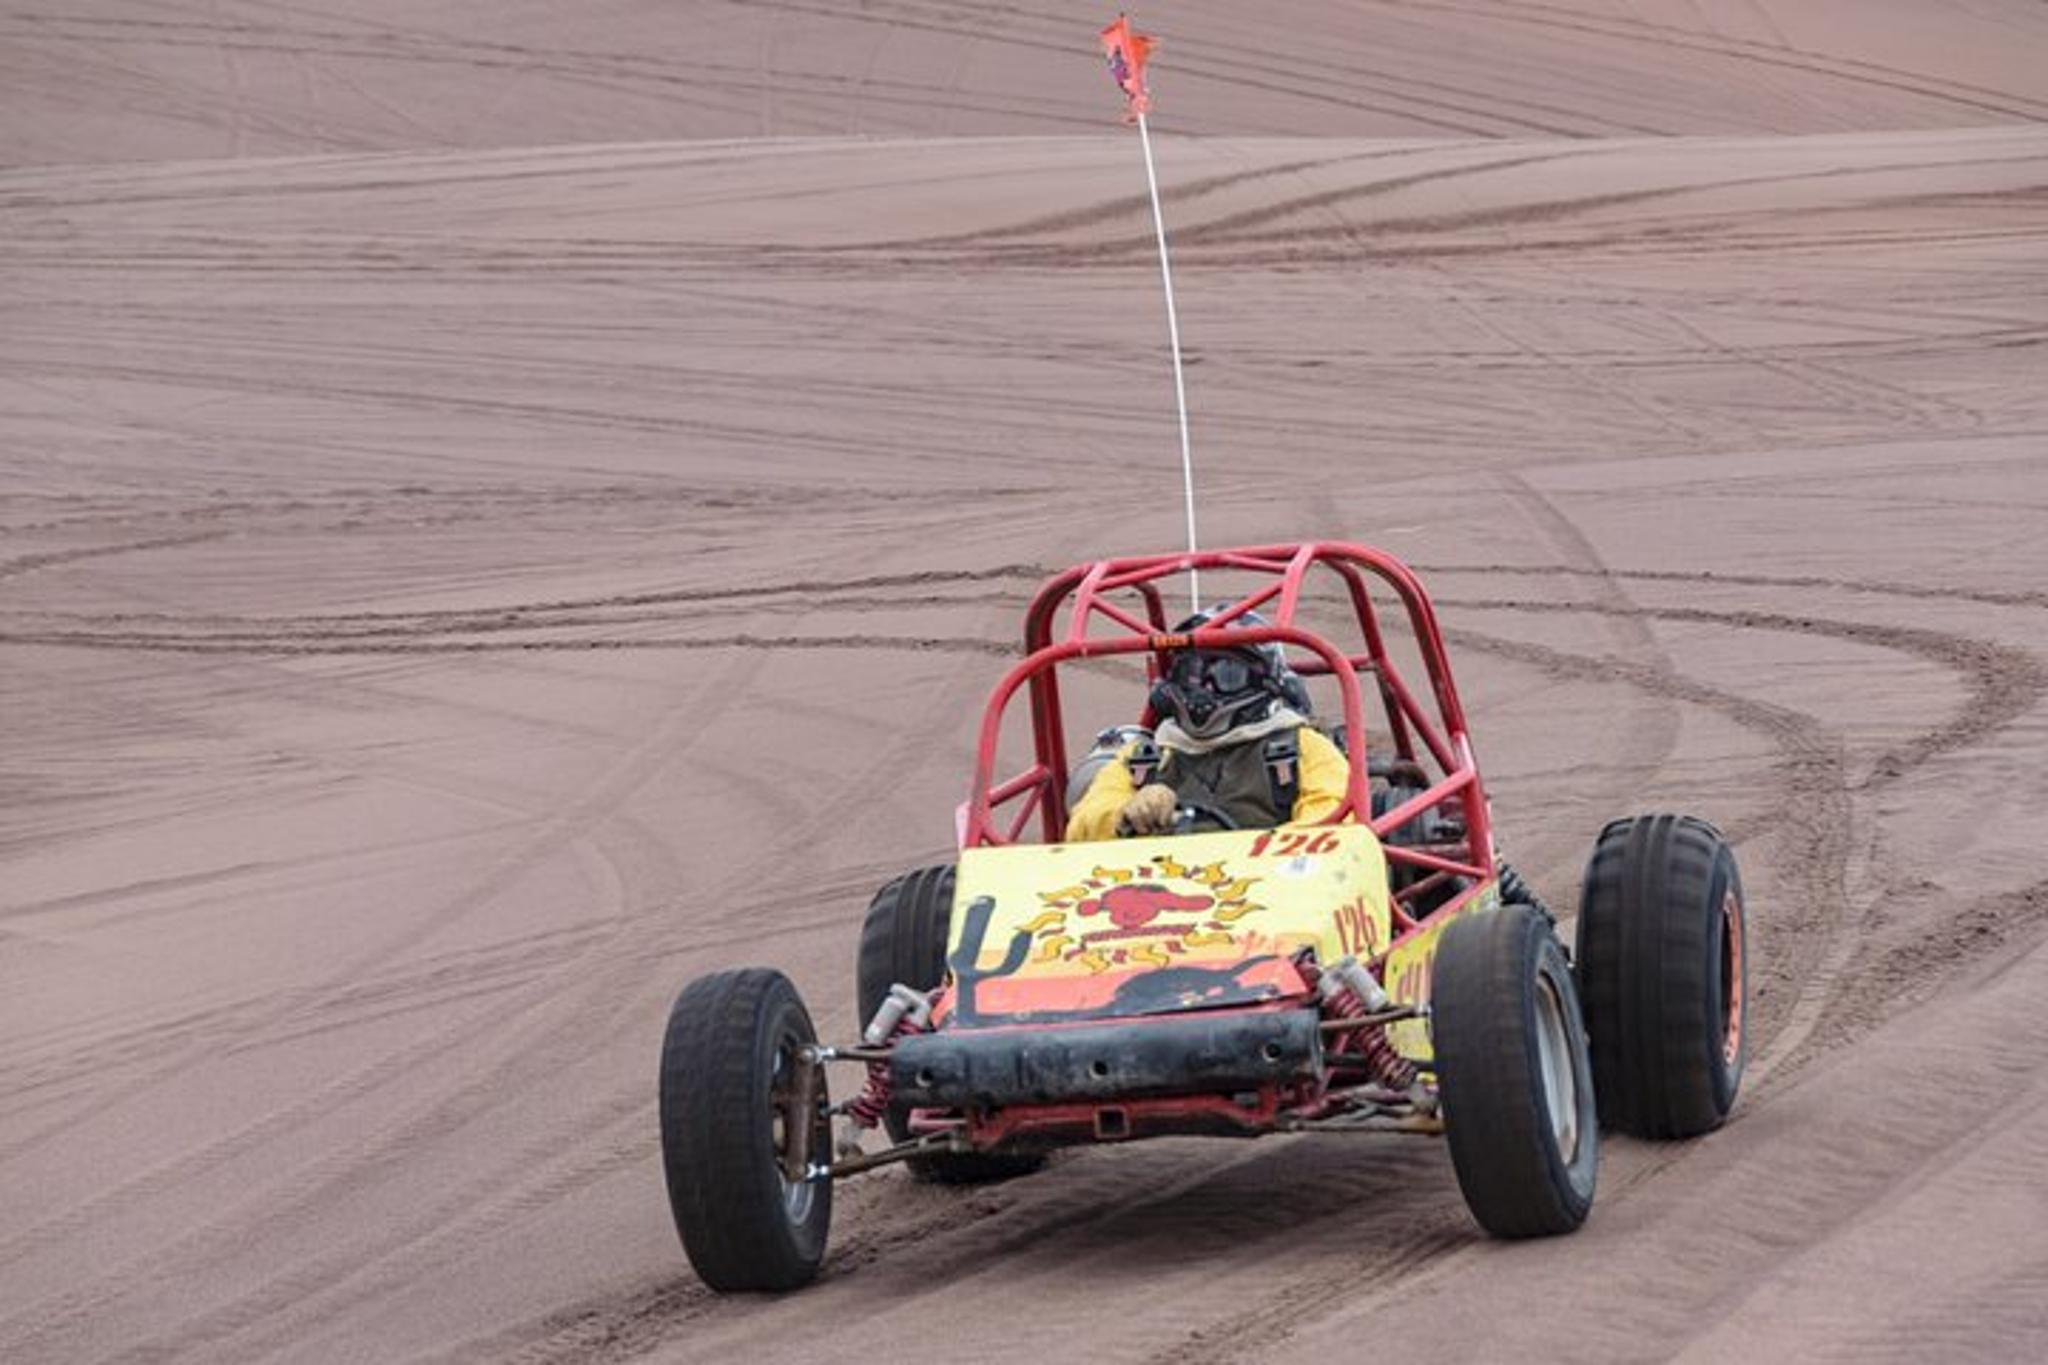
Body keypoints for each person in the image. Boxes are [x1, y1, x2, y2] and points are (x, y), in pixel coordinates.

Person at [1065, 609, 1350, 841]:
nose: (1203, 691)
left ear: (1263, 682)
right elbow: (1080, 828)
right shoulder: (1144, 757)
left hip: (1273, 887)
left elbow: (1336, 825)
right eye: (1192, 675)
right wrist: (1125, 814)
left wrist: (1254, 851)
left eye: (1225, 675)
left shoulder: (1300, 748)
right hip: (1156, 886)